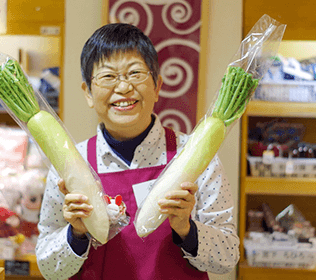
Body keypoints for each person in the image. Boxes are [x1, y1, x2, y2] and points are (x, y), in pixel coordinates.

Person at [36, 23, 240, 280]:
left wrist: (187, 230)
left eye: (135, 73)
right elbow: (47, 267)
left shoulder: (197, 156)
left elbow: (228, 257)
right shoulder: (68, 163)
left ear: (157, 86)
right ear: (87, 92)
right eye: (108, 76)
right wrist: (75, 234)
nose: (123, 88)